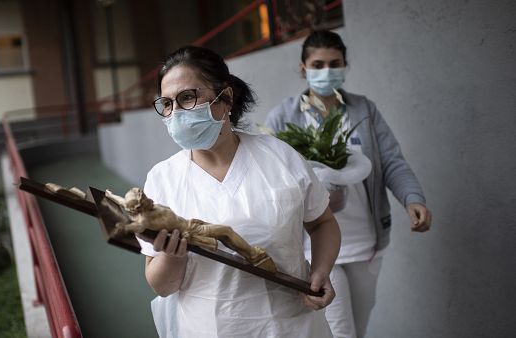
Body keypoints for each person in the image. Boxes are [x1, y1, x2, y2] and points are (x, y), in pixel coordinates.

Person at [136, 45, 341, 338]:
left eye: (187, 97)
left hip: (293, 325)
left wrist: (321, 271)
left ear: (226, 98)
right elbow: (162, 286)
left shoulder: (279, 157)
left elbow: (323, 223)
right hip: (209, 328)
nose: (176, 113)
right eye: (167, 104)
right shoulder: (162, 180)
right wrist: (173, 256)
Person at [265, 30, 433, 338]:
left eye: (334, 63)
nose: (326, 71)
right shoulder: (282, 117)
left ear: (345, 65)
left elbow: (392, 161)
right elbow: (270, 180)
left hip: (366, 243)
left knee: (359, 325)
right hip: (316, 244)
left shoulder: (364, 111)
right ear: (303, 68)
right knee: (341, 331)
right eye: (317, 64)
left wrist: (413, 198)